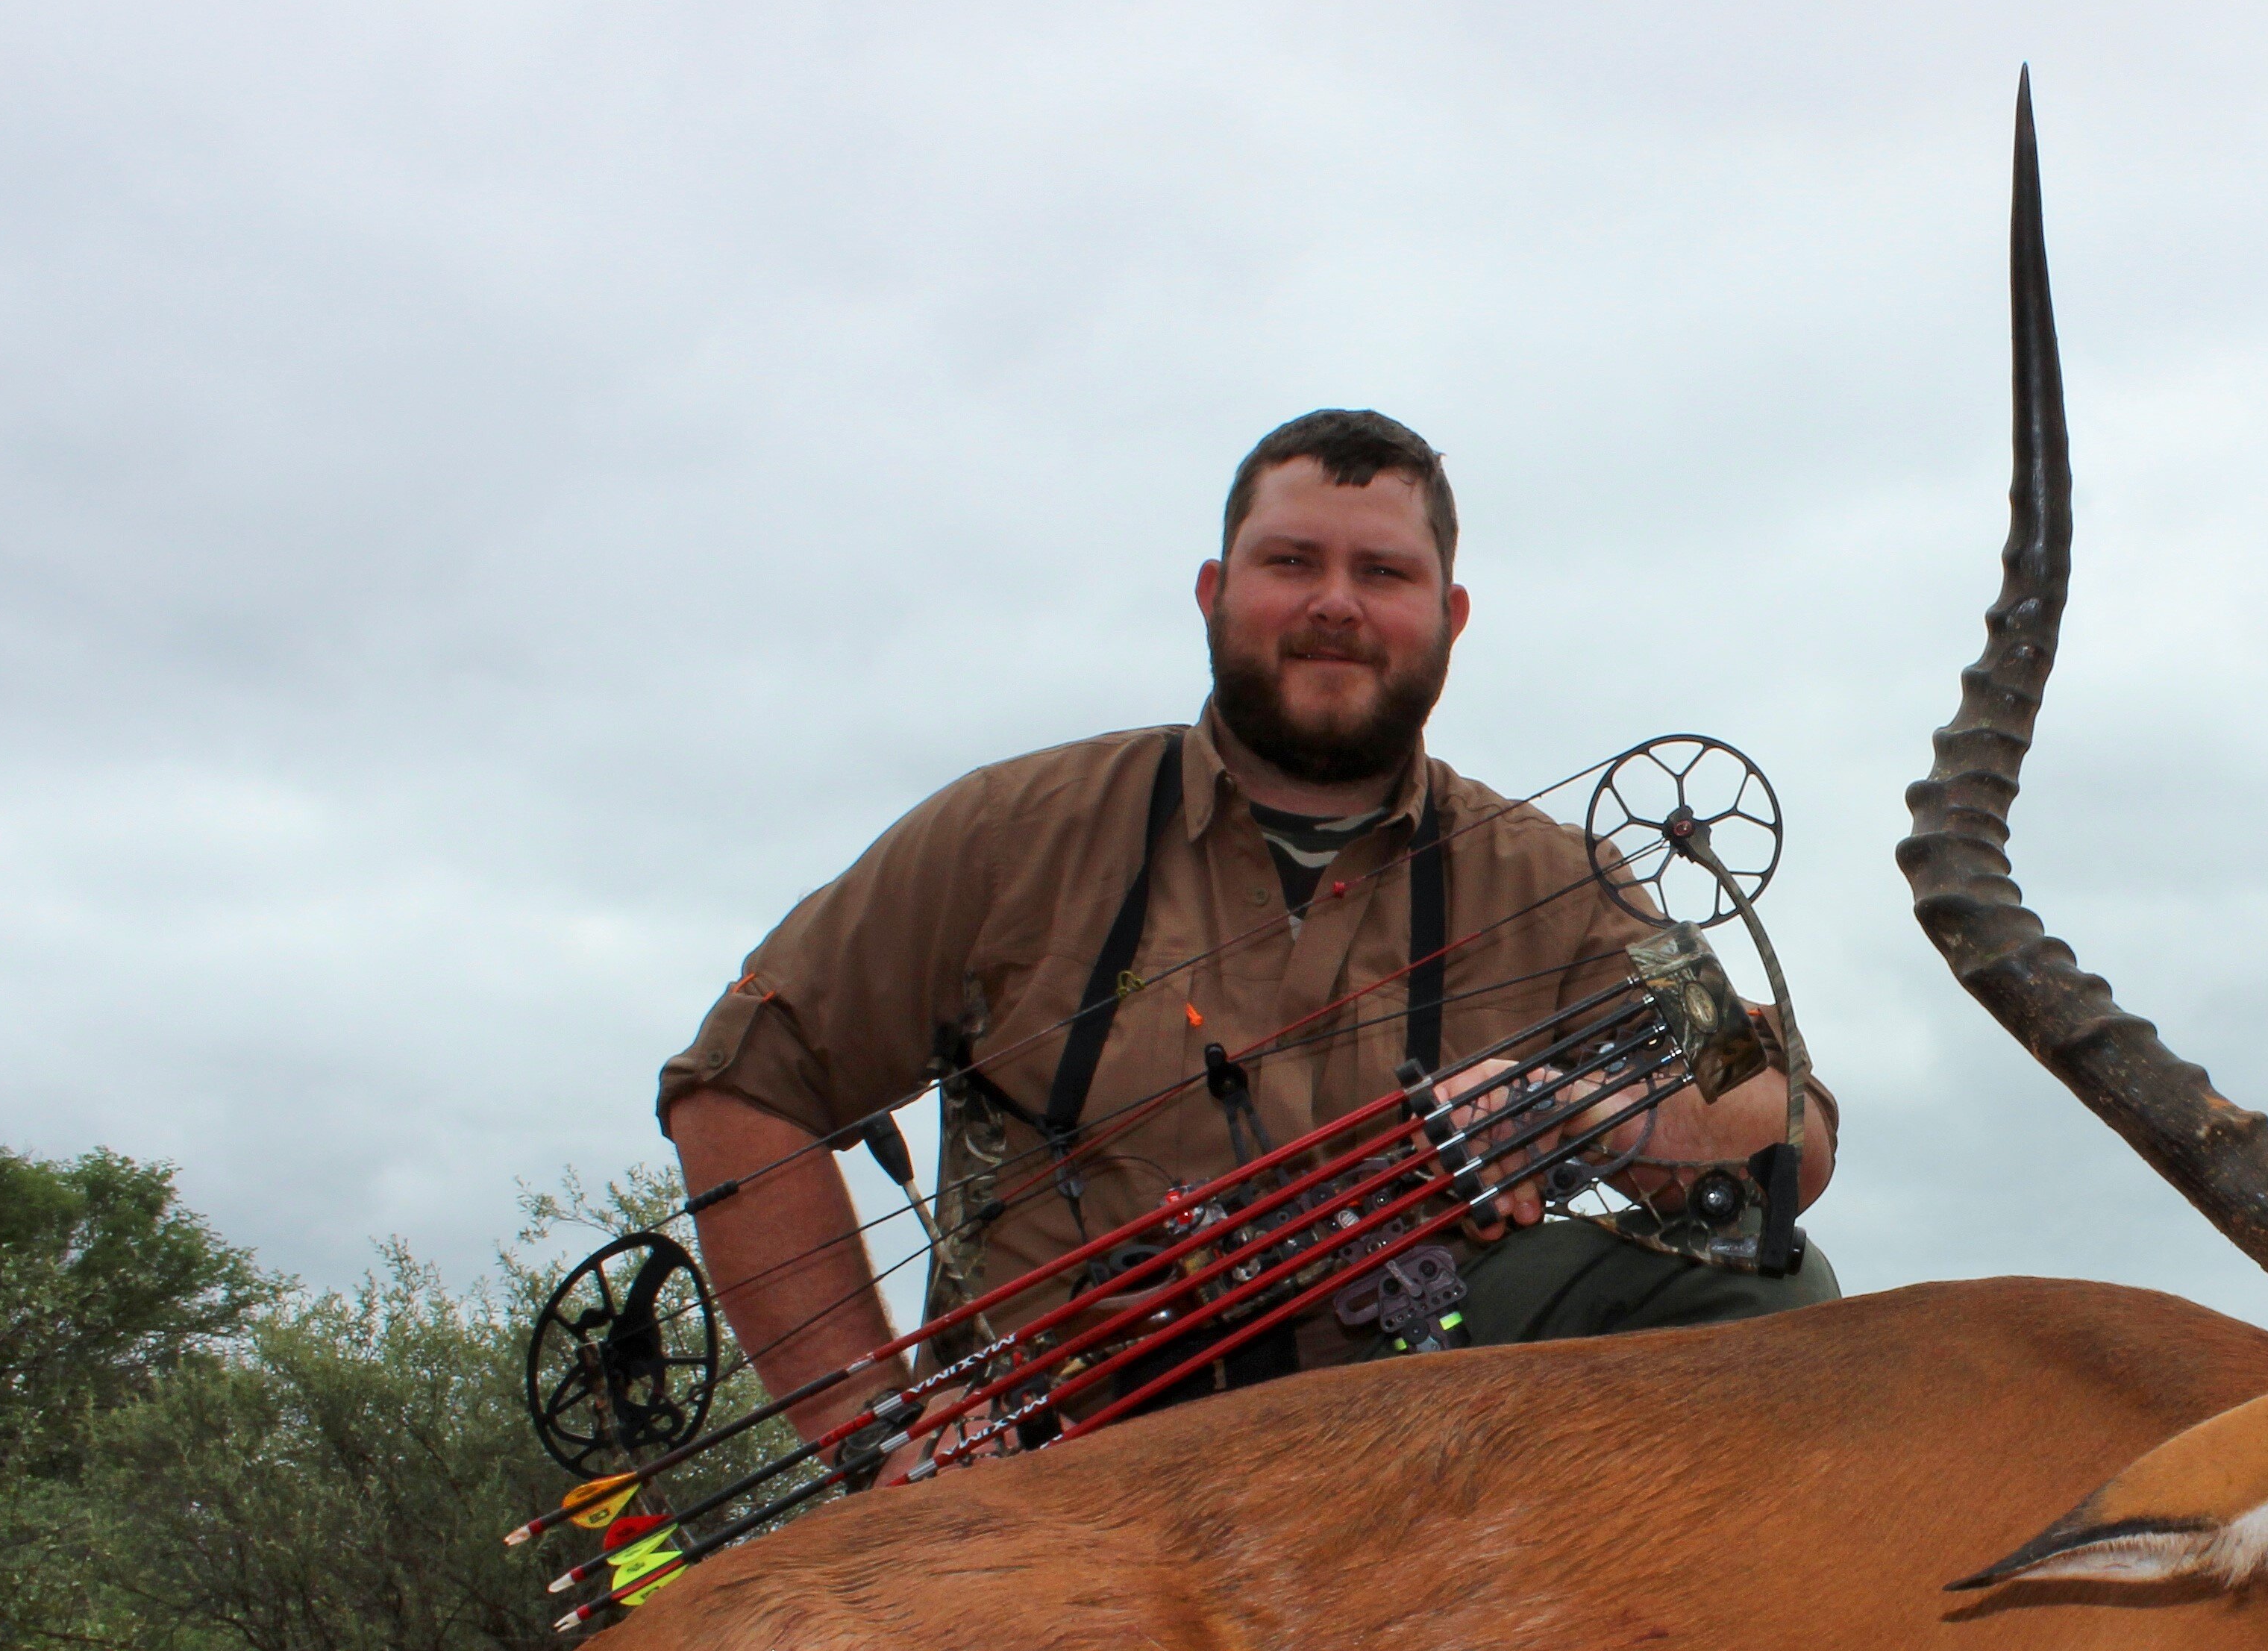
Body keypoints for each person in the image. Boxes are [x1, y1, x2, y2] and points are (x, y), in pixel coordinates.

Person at [656, 408, 1838, 1455]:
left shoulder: (1568, 882)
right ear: (1217, 591)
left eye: (1383, 572)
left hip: (1404, 1458)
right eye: (1292, 563)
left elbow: (1781, 1124)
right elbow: (743, 1082)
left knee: (1782, 1299)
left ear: (1449, 616)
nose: (1336, 603)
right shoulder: (1010, 831)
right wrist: (871, 1439)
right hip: (1057, 1472)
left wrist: (1571, 1107)